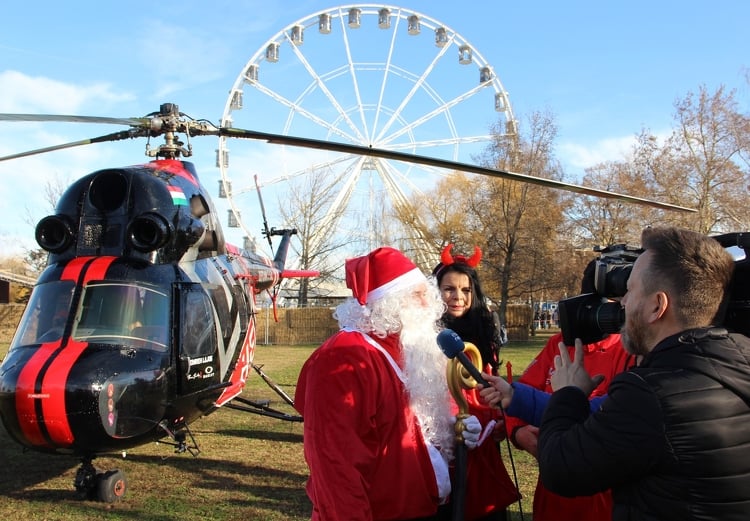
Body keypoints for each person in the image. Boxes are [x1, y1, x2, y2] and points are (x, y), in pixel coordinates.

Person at [537, 226, 750, 520]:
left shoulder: (651, 396)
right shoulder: (739, 362)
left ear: (656, 306)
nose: (623, 303)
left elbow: (559, 468)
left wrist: (568, 394)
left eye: (630, 290)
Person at [294, 246, 482, 521]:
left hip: (423, 508)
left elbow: (408, 423)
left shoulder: (409, 348)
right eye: (419, 295)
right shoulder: (345, 356)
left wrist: (454, 426)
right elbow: (335, 465)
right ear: (389, 303)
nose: (430, 304)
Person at [502, 259, 636, 521]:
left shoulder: (630, 350)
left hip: (608, 501)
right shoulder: (558, 344)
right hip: (555, 498)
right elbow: (517, 396)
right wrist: (518, 433)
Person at [432, 244, 520, 521]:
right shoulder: (426, 331)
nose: (458, 297)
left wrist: (496, 419)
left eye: (465, 290)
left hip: (482, 434)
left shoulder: (484, 327)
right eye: (449, 289)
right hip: (441, 436)